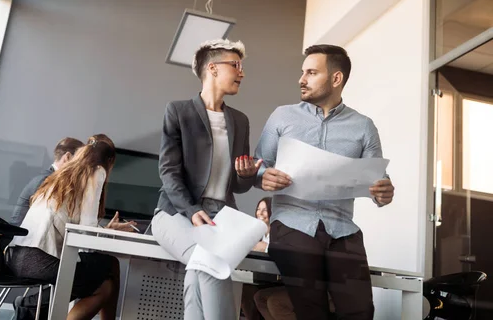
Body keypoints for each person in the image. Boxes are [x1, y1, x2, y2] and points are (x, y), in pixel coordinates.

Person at [254, 44, 395, 320]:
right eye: (302, 72)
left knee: (362, 312)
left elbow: (377, 178)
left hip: (343, 230)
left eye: (311, 72)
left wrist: (384, 192)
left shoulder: (363, 126)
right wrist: (263, 177)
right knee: (310, 309)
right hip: (292, 224)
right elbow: (260, 166)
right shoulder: (282, 116)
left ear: (336, 78)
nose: (301, 79)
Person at [151, 39, 262, 320]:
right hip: (175, 212)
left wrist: (245, 175)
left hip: (221, 217)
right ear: (212, 68)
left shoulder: (240, 120)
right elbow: (169, 172)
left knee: (198, 274)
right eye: (235, 65)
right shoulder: (178, 112)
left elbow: (239, 186)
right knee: (211, 262)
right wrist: (191, 210)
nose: (242, 73)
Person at [7, 134, 120, 320]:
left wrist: (105, 231)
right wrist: (107, 235)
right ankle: (30, 305)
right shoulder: (97, 170)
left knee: (105, 283)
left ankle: (32, 305)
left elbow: (77, 225)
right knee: (109, 267)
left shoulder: (63, 174)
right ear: (109, 160)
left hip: (19, 256)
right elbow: (87, 229)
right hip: (40, 259)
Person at [11, 136, 137, 232]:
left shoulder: (55, 181)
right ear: (67, 157)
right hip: (22, 246)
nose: (82, 167)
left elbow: (78, 229)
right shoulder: (49, 181)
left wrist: (107, 229)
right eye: (79, 159)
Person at [11, 137, 84, 225]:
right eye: (80, 162)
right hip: (21, 236)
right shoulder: (47, 181)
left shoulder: (48, 178)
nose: (82, 169)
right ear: (67, 157)